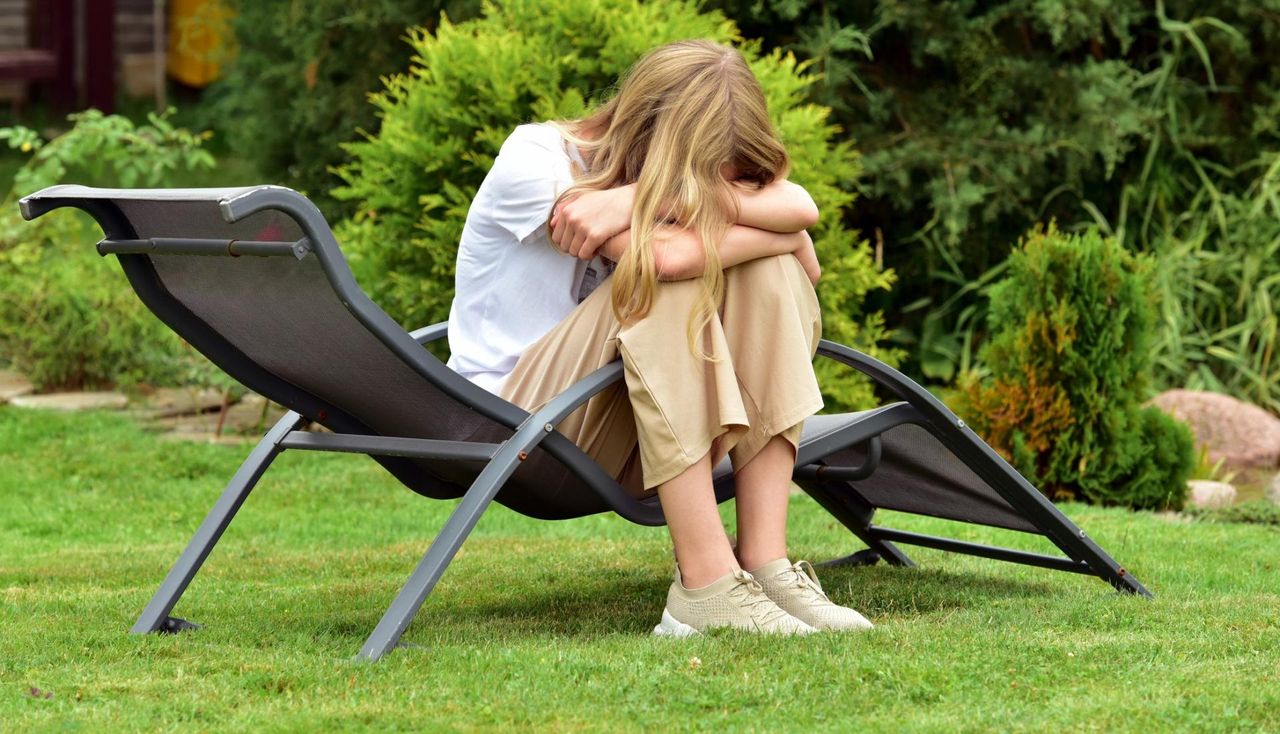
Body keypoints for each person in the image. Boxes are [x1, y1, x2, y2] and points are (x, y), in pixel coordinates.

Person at [446, 39, 872, 636]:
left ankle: (764, 563)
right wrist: (782, 237)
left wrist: (653, 197)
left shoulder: (640, 189)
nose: (722, 197)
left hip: (626, 427)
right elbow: (666, 262)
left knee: (766, 272)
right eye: (706, 179)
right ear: (650, 135)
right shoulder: (535, 160)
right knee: (662, 283)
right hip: (519, 423)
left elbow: (799, 206)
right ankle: (704, 585)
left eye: (735, 186)